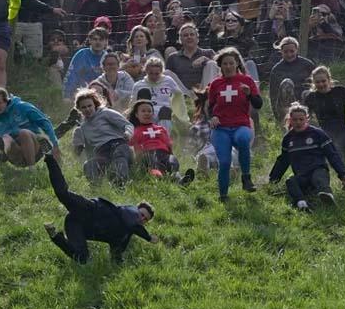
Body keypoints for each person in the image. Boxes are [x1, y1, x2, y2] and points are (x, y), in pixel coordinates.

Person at [42, 152, 158, 264]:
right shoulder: (130, 212)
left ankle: (55, 235)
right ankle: (49, 157)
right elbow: (133, 223)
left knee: (81, 258)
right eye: (142, 214)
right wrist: (148, 237)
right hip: (89, 209)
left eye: (145, 219)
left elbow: (117, 253)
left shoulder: (125, 235)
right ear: (136, 209)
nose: (142, 218)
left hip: (77, 225)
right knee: (63, 194)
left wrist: (118, 264)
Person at [268, 103, 345, 211]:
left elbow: (332, 155)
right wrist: (273, 180)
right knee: (290, 181)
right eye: (295, 120)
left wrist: (343, 174)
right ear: (290, 120)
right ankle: (302, 204)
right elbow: (283, 160)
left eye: (301, 119)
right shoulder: (288, 139)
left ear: (306, 119)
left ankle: (327, 196)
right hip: (302, 175)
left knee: (318, 177)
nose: (298, 122)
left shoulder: (318, 134)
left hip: (318, 170)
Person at [207, 47, 262, 201]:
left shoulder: (247, 81)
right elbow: (210, 107)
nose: (228, 66)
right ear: (221, 66)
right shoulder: (216, 84)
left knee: (244, 139)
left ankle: (246, 178)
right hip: (221, 128)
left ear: (237, 63)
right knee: (224, 161)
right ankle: (223, 195)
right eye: (225, 64)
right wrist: (212, 117)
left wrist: (249, 94)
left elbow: (258, 104)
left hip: (240, 124)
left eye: (231, 63)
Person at [71, 88, 134, 185]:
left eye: (89, 105)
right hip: (102, 152)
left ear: (95, 104)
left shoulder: (106, 113)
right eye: (84, 107)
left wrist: (128, 133)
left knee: (118, 155)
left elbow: (128, 125)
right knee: (89, 165)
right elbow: (89, 150)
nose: (87, 109)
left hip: (118, 144)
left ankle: (120, 184)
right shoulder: (83, 127)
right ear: (79, 109)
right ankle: (97, 189)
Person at [0, 87, 59, 167]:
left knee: (23, 133)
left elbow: (45, 123)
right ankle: (3, 153)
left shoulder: (23, 107)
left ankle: (32, 170)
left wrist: (55, 145)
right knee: (5, 137)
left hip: (34, 147)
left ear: (6, 101)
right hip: (16, 153)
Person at [128, 99, 194, 184]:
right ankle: (159, 178)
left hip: (164, 154)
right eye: (143, 111)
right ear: (136, 114)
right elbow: (134, 148)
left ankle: (180, 180)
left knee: (172, 162)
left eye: (149, 111)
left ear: (153, 114)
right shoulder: (135, 131)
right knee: (154, 164)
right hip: (148, 155)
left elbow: (168, 144)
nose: (147, 113)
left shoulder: (161, 129)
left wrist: (171, 154)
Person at [302, 66, 345, 154]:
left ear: (329, 80)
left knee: (336, 149)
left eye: (323, 81)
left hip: (343, 132)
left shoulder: (340, 91)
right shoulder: (312, 97)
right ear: (313, 83)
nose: (321, 84)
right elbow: (303, 116)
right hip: (324, 132)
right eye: (317, 82)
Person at [132, 57, 193, 130]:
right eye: (151, 73)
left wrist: (182, 117)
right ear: (146, 71)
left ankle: (164, 137)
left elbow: (178, 97)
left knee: (165, 111)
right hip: (147, 113)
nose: (154, 76)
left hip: (165, 113)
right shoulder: (138, 85)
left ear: (161, 71)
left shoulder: (168, 81)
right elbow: (132, 104)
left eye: (157, 74)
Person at [268, 37, 315, 120]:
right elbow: (273, 95)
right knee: (287, 83)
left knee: (307, 92)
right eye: (286, 52)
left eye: (292, 51)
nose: (289, 54)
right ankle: (288, 119)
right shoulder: (276, 70)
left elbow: (315, 86)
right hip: (286, 106)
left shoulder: (308, 65)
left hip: (304, 102)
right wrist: (277, 116)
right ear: (281, 51)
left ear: (297, 50)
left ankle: (311, 117)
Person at [165, 23, 218, 89]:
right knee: (167, 73)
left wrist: (206, 60)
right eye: (185, 35)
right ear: (180, 39)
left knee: (212, 63)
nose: (189, 37)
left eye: (192, 34)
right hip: (183, 93)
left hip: (204, 90)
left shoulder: (208, 53)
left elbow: (221, 70)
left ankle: (209, 96)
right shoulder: (173, 58)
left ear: (197, 38)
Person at [62, 27, 108, 100]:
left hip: (102, 95)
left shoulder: (108, 57)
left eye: (101, 40)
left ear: (106, 42)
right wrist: (66, 96)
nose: (98, 42)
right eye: (95, 39)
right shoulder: (81, 55)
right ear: (90, 40)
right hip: (82, 94)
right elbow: (71, 76)